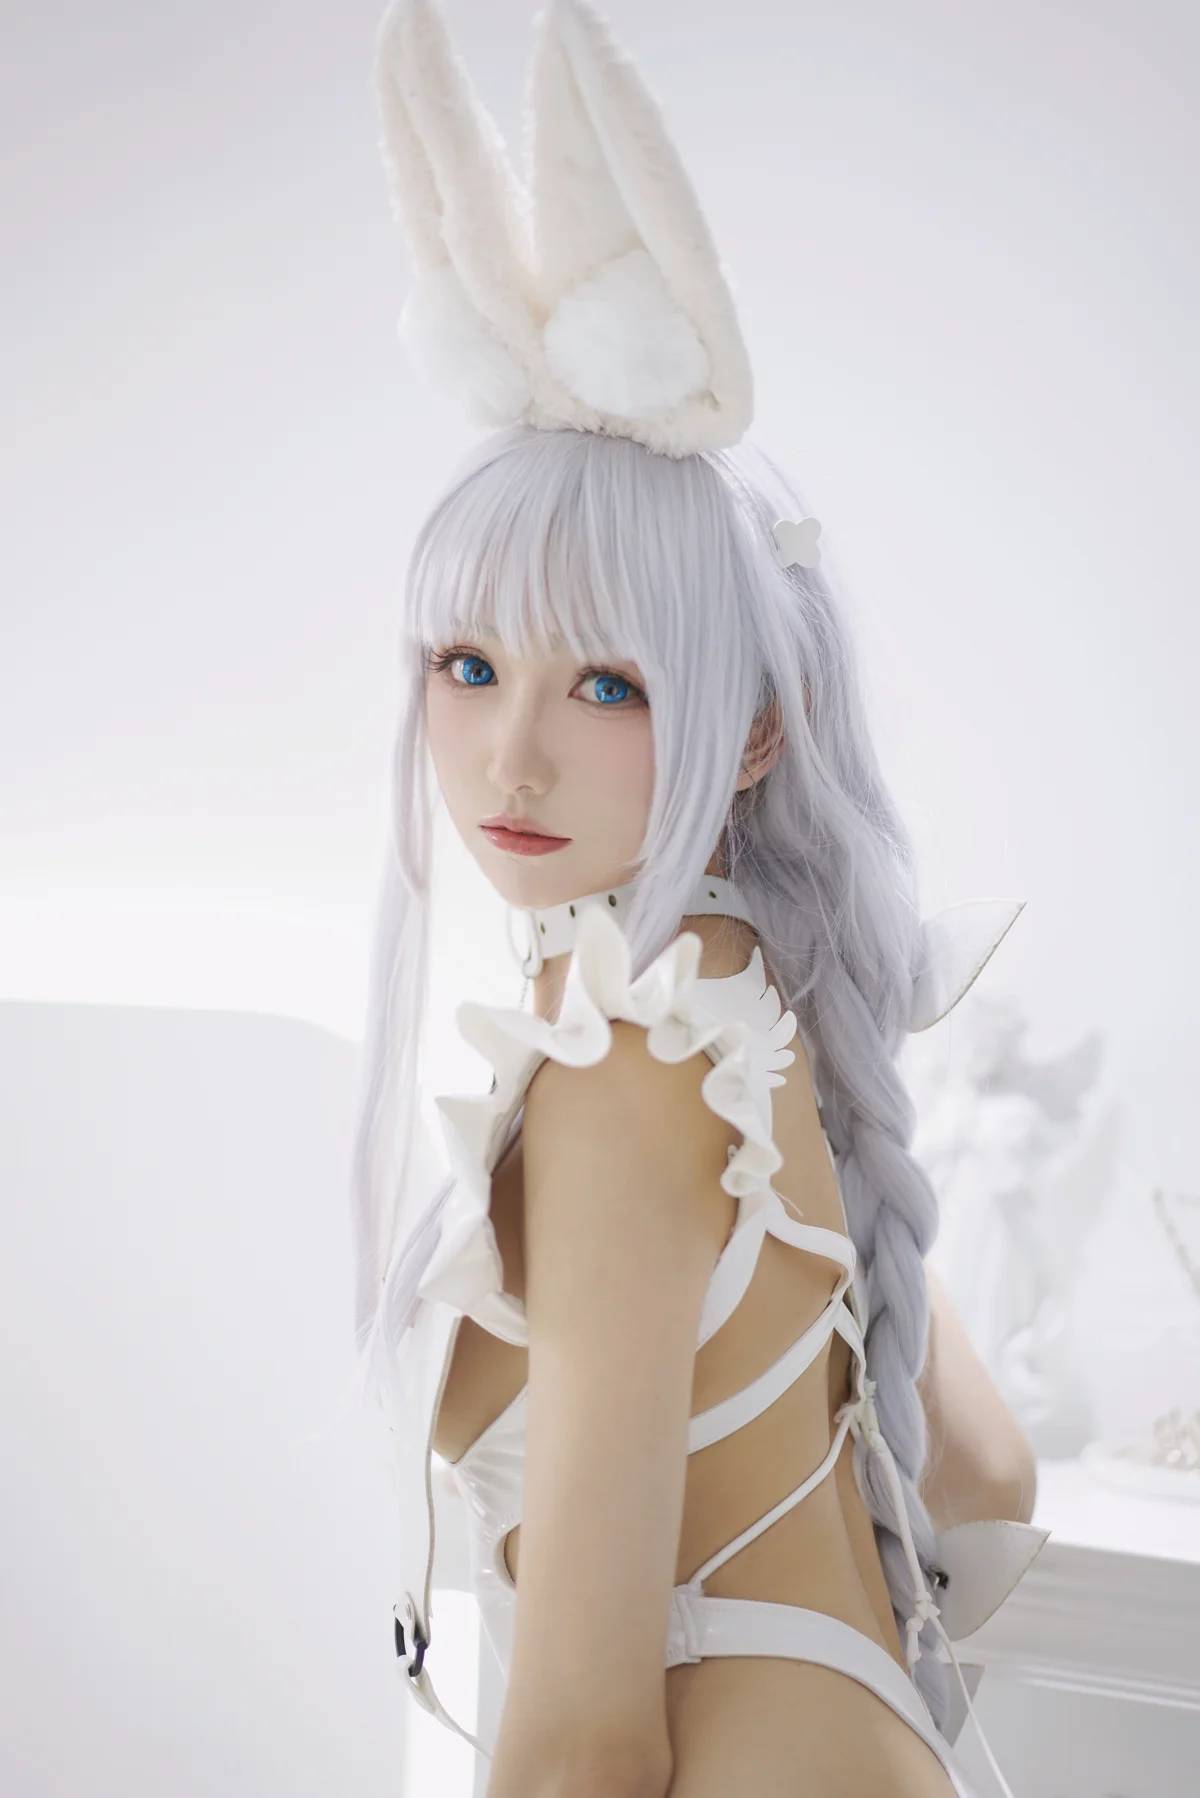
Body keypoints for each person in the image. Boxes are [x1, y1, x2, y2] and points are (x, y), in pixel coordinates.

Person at [352, 4, 1048, 1794]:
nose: (509, 757)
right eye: (468, 663)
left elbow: (582, 1740)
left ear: (751, 728)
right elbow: (985, 1479)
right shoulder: (761, 1000)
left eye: (607, 684)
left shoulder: (623, 1064)